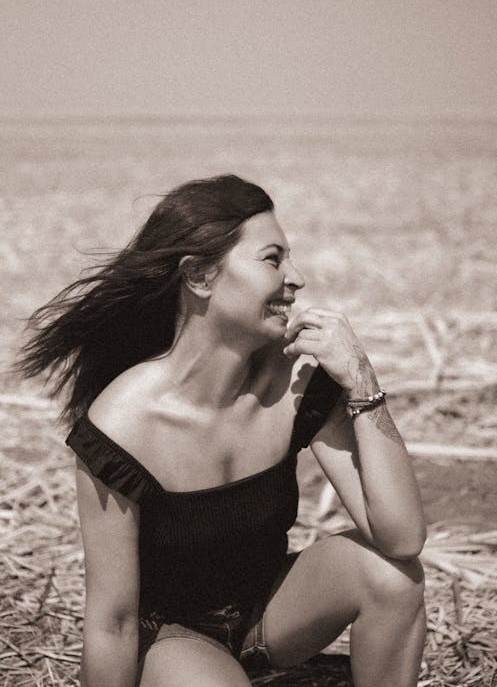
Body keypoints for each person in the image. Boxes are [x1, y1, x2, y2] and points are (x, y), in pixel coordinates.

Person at [18, 174, 427, 687]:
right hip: (172, 638)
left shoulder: (298, 381)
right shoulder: (123, 424)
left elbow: (403, 536)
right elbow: (112, 622)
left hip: (269, 615)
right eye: (272, 259)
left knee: (395, 576)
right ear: (200, 276)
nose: (296, 277)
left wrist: (362, 380)